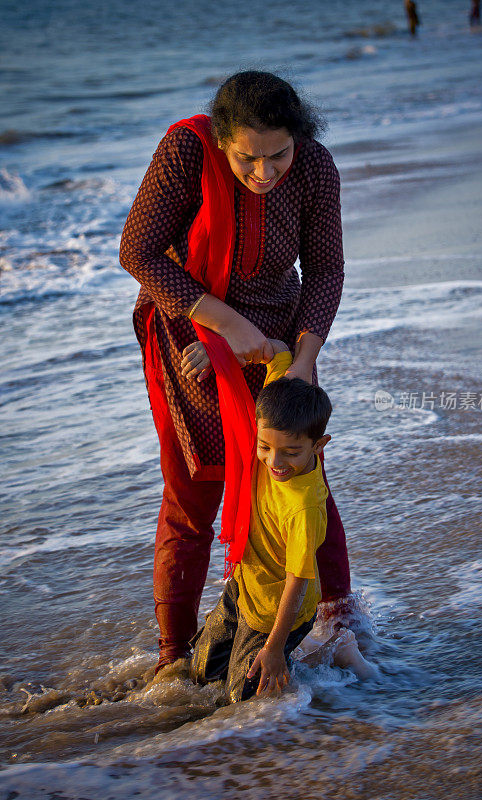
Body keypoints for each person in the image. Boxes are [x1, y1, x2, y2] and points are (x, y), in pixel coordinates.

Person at [119, 70, 358, 675]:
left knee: (302, 479)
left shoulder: (314, 167)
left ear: (297, 138)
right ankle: (175, 655)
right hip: (191, 336)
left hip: (278, 339)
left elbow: (326, 269)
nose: (263, 172)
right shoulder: (185, 152)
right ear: (221, 140)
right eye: (247, 158)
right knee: (193, 490)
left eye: (278, 154)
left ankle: (338, 624)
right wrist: (226, 326)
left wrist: (301, 364)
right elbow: (137, 251)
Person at [188, 339, 375, 701]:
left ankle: (329, 651)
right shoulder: (274, 427)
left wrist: (274, 647)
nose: (275, 462)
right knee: (201, 672)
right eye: (264, 447)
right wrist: (225, 349)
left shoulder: (304, 506)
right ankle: (312, 652)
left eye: (291, 452)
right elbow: (276, 354)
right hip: (245, 584)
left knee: (240, 700)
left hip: (277, 610)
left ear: (319, 446)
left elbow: (298, 581)